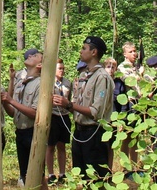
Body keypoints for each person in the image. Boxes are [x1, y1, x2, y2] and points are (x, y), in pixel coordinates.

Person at [53, 36, 113, 180]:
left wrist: (68, 104)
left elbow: (95, 112)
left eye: (84, 48)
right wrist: (62, 103)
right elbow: (76, 105)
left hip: (94, 134)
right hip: (79, 133)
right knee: (82, 177)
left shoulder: (101, 78)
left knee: (97, 179)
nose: (81, 51)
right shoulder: (83, 75)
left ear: (94, 52)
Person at [1, 48, 42, 187]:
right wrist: (6, 100)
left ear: (40, 65)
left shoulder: (41, 84)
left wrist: (11, 101)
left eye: (35, 55)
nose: (30, 56)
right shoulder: (22, 82)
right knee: (24, 174)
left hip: (34, 134)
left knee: (37, 176)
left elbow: (35, 113)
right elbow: (13, 112)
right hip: (20, 133)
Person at [46, 59, 72, 184]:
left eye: (63, 68)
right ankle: (51, 174)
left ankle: (62, 173)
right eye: (59, 68)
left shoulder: (67, 83)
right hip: (53, 116)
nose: (62, 70)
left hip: (64, 116)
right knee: (50, 145)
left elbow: (70, 98)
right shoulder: (49, 83)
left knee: (62, 145)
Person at [104, 57, 120, 170]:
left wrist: (120, 121)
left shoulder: (118, 84)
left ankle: (109, 171)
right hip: (102, 119)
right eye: (108, 67)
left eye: (112, 67)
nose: (110, 69)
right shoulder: (101, 81)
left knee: (111, 146)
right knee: (101, 146)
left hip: (113, 119)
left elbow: (121, 105)